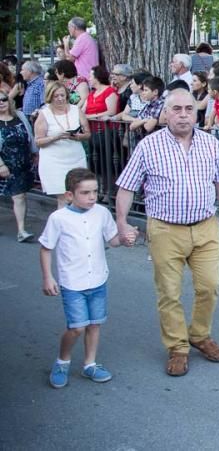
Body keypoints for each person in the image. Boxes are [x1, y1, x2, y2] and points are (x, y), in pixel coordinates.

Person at [115, 89, 219, 377]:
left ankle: (199, 335)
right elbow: (126, 187)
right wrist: (122, 223)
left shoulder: (210, 144)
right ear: (166, 113)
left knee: (209, 286)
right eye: (177, 109)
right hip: (165, 229)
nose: (184, 115)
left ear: (196, 113)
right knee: (169, 292)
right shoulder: (148, 146)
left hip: (206, 227)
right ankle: (178, 347)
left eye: (189, 109)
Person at [39, 168, 137, 389]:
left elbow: (112, 240)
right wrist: (48, 277)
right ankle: (62, 361)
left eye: (94, 191)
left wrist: (126, 237)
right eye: (85, 192)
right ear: (69, 195)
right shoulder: (58, 218)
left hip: (98, 280)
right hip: (72, 282)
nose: (92, 196)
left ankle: (89, 364)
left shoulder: (101, 213)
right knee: (76, 327)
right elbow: (46, 248)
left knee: (94, 325)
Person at [35, 82, 90, 209]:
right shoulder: (44, 114)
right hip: (54, 160)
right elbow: (38, 141)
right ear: (50, 97)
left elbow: (87, 134)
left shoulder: (76, 110)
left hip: (75, 157)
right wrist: (56, 137)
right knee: (63, 197)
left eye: (62, 95)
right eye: (56, 96)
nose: (60, 99)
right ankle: (64, 226)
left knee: (78, 193)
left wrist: (77, 137)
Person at [0, 88, 37, 242]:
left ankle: (21, 230)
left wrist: (35, 153)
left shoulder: (20, 116)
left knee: (20, 196)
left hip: (21, 162)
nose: (1, 103)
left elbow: (30, 136)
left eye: (3, 99)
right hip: (3, 161)